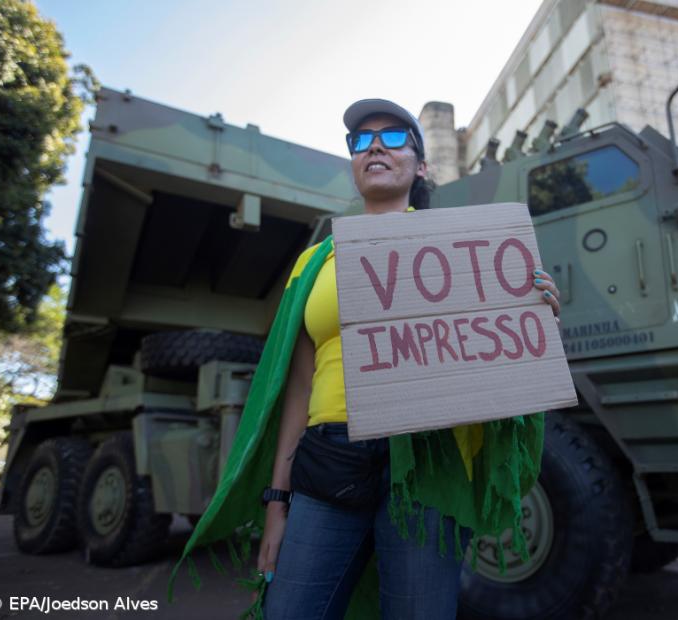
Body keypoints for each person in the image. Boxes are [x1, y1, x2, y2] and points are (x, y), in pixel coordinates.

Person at [165, 99, 561, 619]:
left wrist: (531, 314)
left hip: (429, 466)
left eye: (394, 137)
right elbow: (299, 387)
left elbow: (494, 360)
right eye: (360, 140)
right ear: (354, 164)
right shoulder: (314, 262)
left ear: (420, 166)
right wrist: (277, 502)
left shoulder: (469, 248)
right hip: (330, 463)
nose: (374, 145)